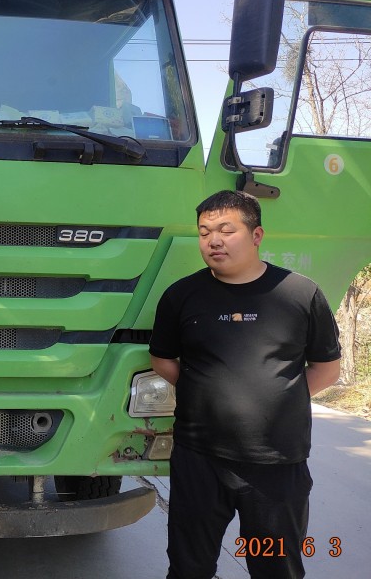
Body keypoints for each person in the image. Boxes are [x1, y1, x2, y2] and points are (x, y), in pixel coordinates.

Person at [149, 190, 341, 579]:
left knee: (276, 569)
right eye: (204, 232)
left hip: (276, 464)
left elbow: (326, 369)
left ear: (256, 236)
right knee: (188, 567)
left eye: (226, 230)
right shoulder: (181, 296)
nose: (213, 241)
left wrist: (278, 398)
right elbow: (163, 360)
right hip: (199, 459)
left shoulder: (299, 293)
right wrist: (205, 391)